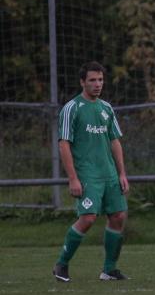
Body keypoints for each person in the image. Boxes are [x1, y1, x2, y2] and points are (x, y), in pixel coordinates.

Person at [53, 61, 129, 283]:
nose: (97, 84)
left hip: (109, 174)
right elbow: (64, 144)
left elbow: (114, 140)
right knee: (87, 218)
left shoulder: (106, 108)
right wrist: (73, 178)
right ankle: (61, 265)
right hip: (87, 175)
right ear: (82, 82)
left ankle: (109, 269)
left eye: (100, 80)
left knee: (118, 216)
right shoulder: (72, 108)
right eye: (92, 80)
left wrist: (122, 173)